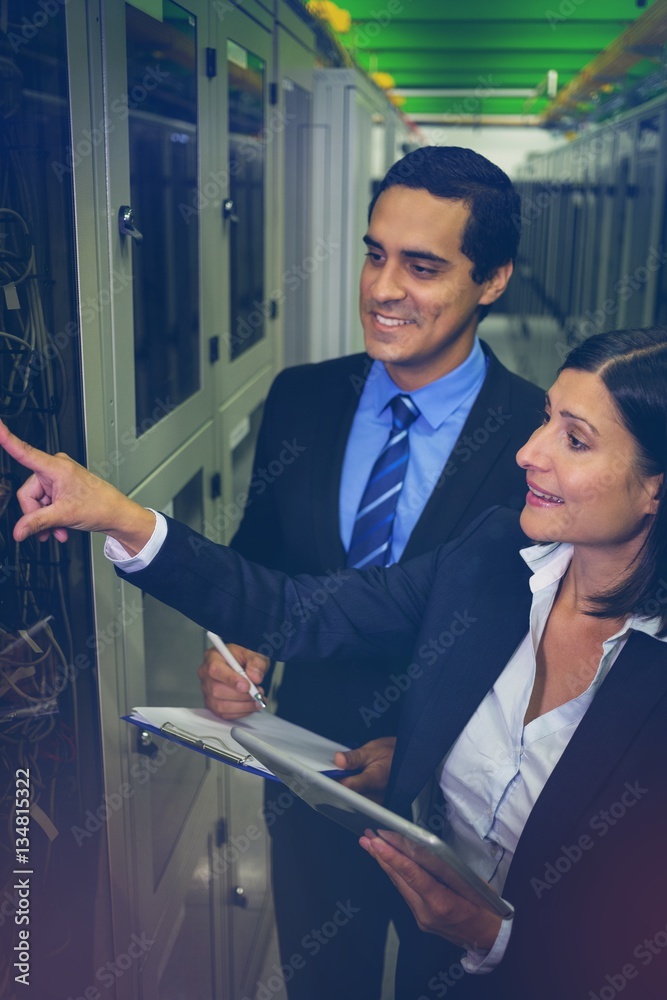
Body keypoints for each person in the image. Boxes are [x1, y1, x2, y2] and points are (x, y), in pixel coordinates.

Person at [2, 326, 666, 1000]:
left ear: (653, 488)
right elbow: (298, 607)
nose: (529, 453)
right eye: (544, 421)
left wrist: (491, 937)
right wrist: (121, 518)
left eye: (574, 440)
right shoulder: (492, 555)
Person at [196, 145, 544, 999]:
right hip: (311, 782)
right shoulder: (301, 398)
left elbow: (549, 643)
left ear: (491, 280)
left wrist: (432, 747)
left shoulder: (538, 437)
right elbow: (261, 559)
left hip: (461, 819)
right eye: (374, 253)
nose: (383, 288)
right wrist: (243, 644)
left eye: (422, 267)